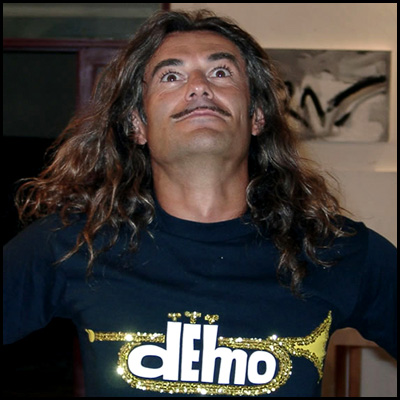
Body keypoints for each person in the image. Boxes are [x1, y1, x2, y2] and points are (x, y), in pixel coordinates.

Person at [3, 9, 397, 397]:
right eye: (171, 76)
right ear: (138, 124)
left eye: (221, 72)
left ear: (257, 116)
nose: (198, 87)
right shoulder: (75, 244)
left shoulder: (332, 250)